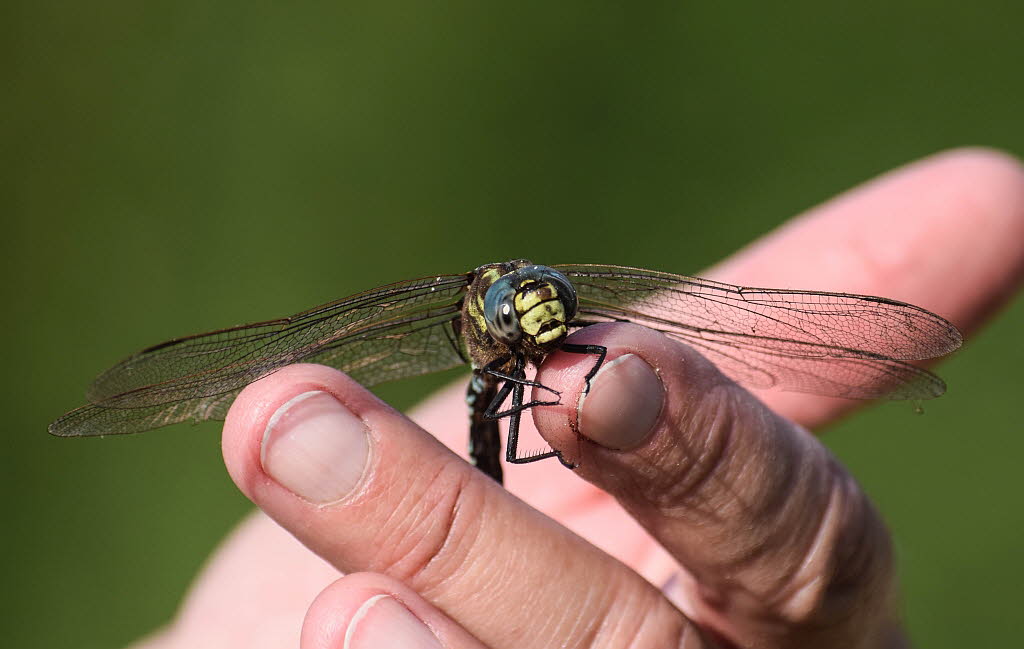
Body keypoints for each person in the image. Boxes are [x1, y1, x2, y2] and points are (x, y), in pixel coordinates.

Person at [134, 149, 1024, 649]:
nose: (543, 318)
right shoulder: (480, 331)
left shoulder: (563, 325)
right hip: (483, 433)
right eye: (524, 312)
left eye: (554, 305)